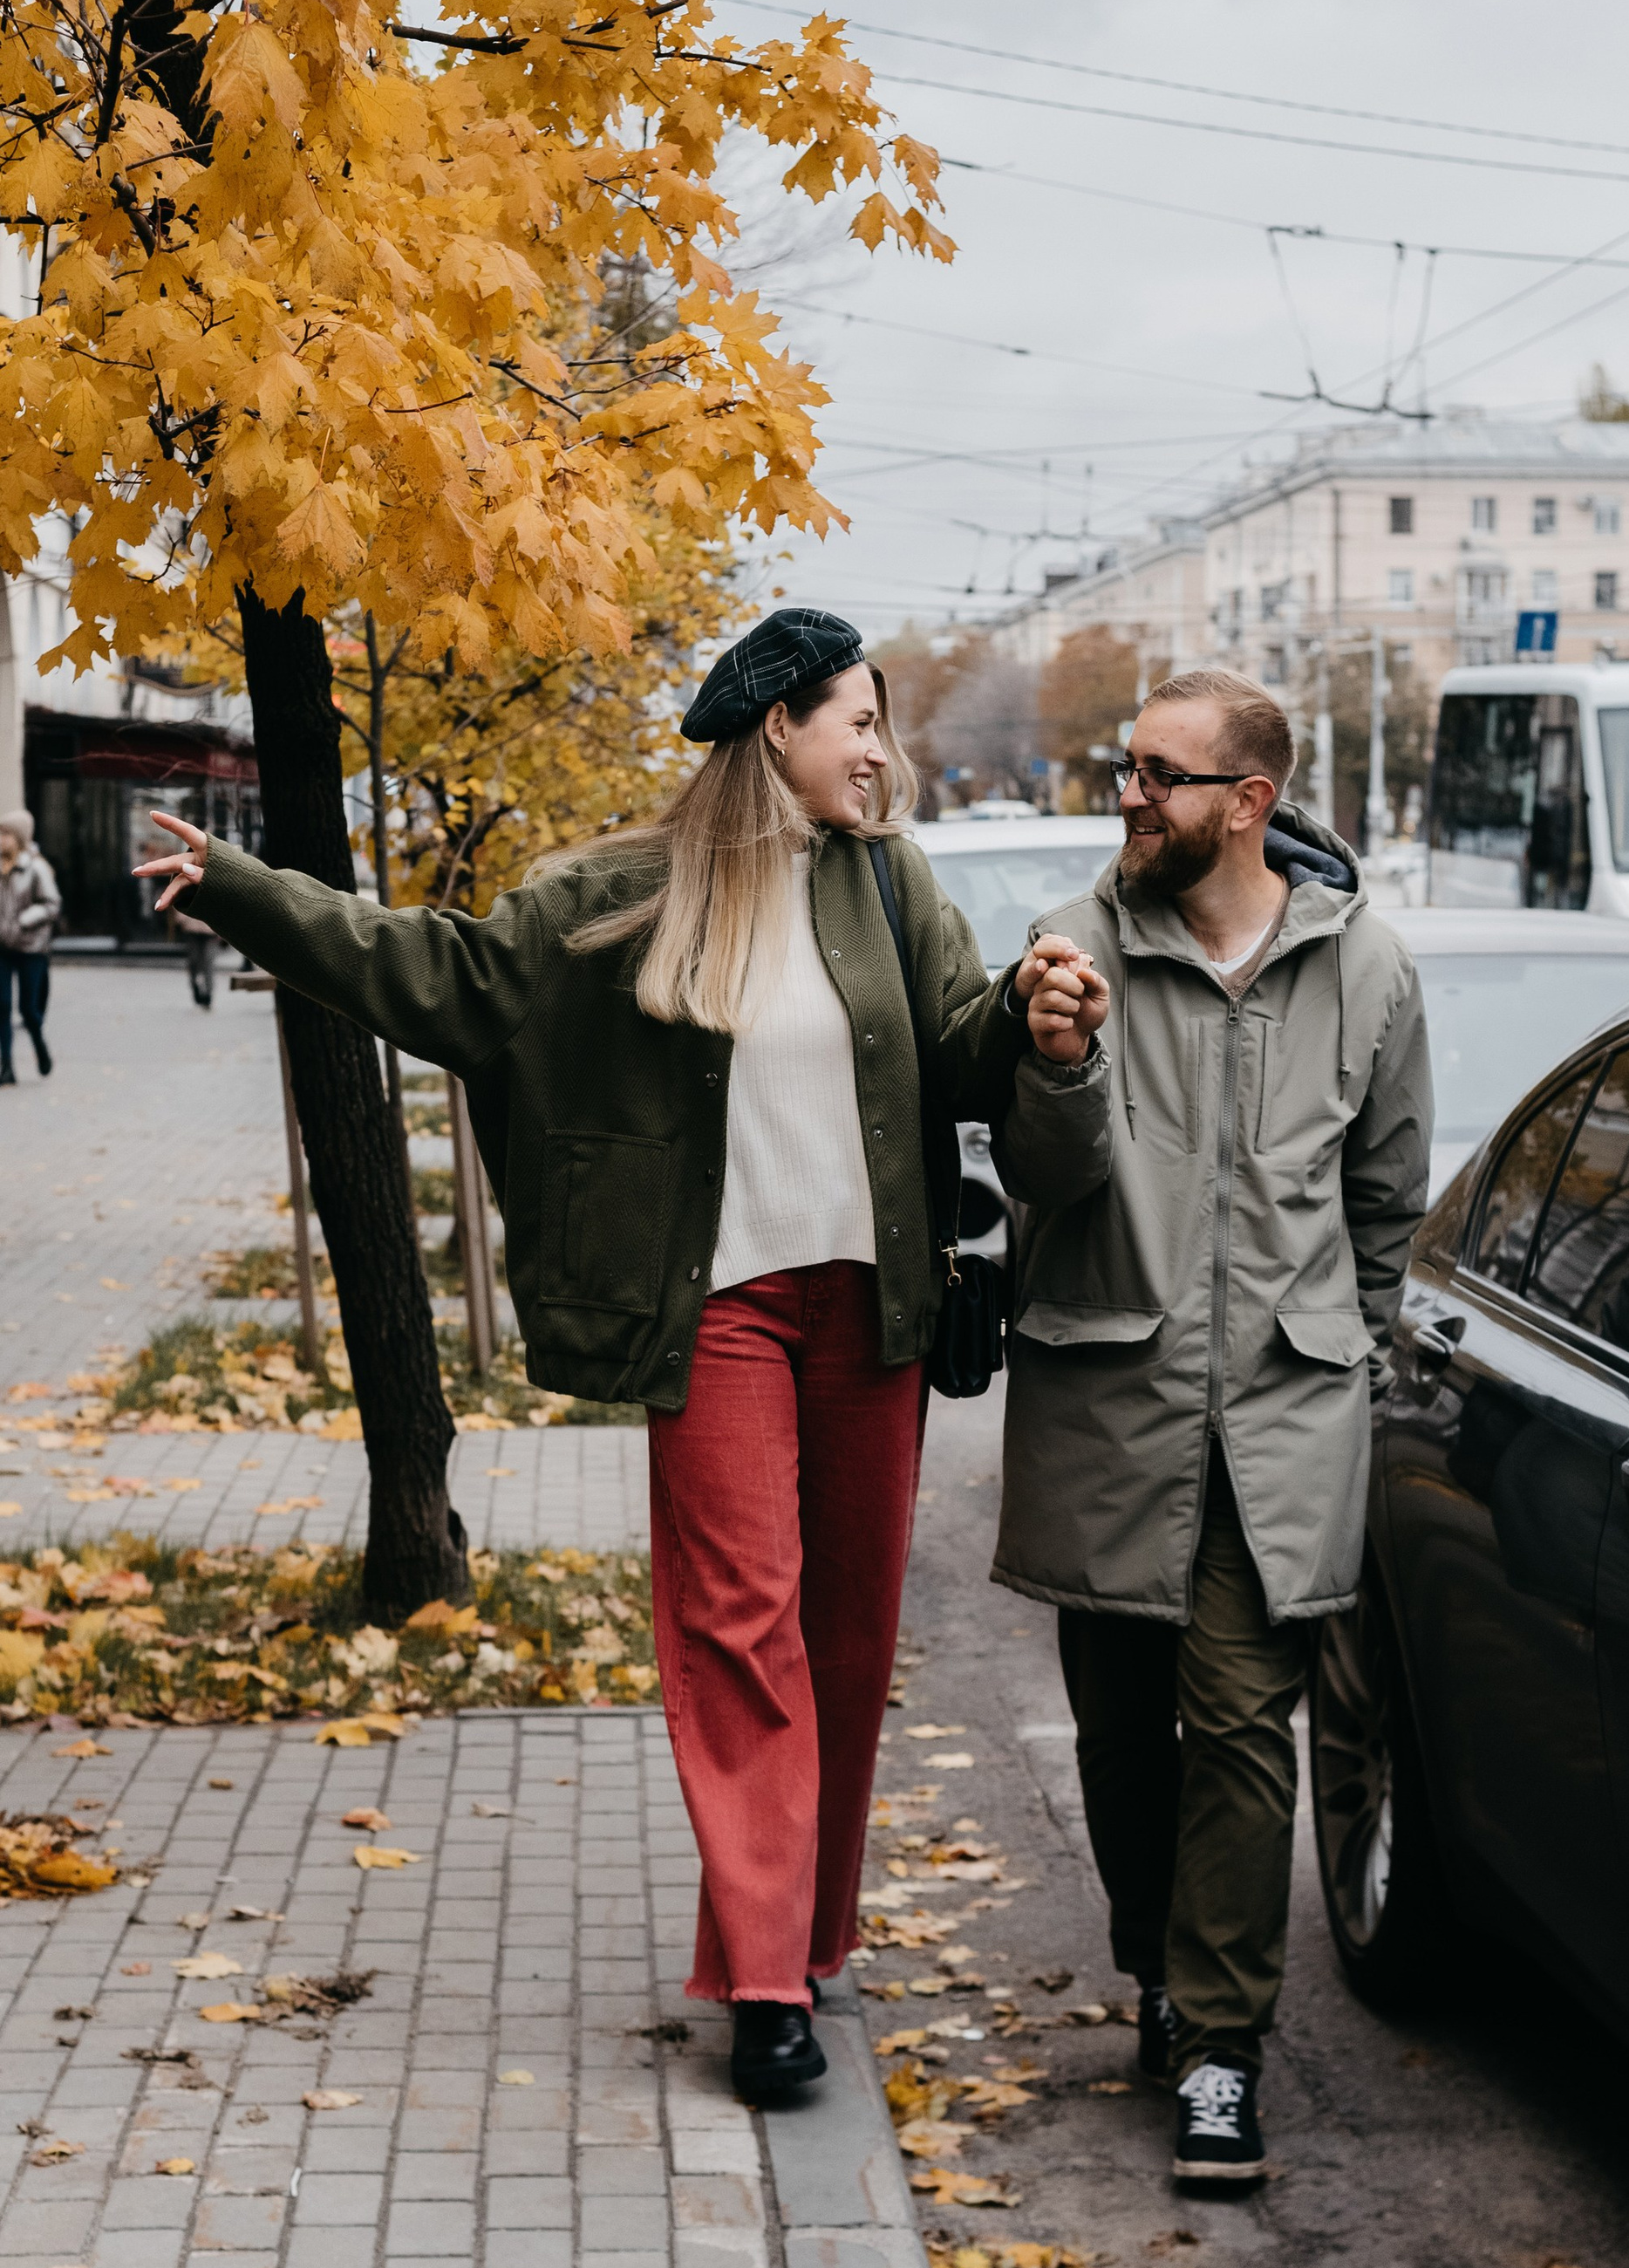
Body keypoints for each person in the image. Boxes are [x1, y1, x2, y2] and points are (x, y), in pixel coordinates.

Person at [133, 608, 1103, 2107]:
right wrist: (244, 895)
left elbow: (958, 1046)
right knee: (739, 1631)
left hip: (869, 1312)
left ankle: (804, 1929)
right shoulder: (627, 892)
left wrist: (1040, 1030)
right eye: (858, 720)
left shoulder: (885, 883)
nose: (880, 753)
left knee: (844, 1642)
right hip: (715, 1314)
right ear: (777, 726)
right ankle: (767, 1984)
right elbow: (439, 976)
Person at [989, 667, 1430, 2189]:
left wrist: (1347, 1351)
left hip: (1283, 1414)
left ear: (1249, 803)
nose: (1131, 795)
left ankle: (1225, 2048)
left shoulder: (1364, 965)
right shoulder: (1077, 947)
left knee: (1246, 1731)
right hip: (1115, 1397)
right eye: (1128, 769)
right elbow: (1041, 1182)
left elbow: (1384, 1201)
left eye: (1163, 776)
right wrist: (1053, 1066)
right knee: (1123, 1734)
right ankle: (1160, 1970)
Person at [0, 807, 60, 1083]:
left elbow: (51, 905)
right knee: (2, 1004)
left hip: (30, 948)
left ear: (19, 837)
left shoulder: (36, 868)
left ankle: (39, 1044)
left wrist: (24, 920)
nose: (0, 840)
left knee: (28, 1009)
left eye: (6, 834)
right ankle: (5, 1066)